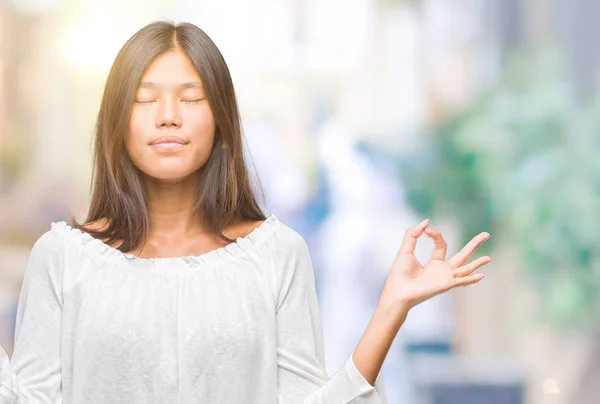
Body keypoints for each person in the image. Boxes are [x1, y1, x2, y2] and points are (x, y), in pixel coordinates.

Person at [0, 21, 491, 404]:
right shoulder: (63, 258)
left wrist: (391, 308)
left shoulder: (276, 254)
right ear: (116, 120)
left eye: (190, 98)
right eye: (144, 98)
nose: (167, 114)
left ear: (220, 119)